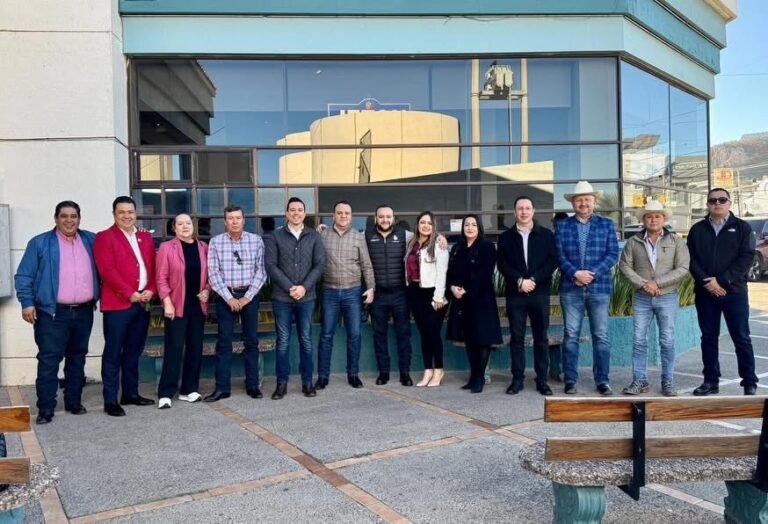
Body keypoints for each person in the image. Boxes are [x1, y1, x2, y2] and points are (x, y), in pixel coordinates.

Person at [15, 201, 99, 424]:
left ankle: (73, 401)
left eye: (73, 216)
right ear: (56, 218)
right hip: (51, 313)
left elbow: (113, 248)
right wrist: (27, 303)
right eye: (64, 216)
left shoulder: (91, 240)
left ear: (79, 219)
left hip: (83, 311)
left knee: (77, 358)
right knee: (49, 360)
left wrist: (137, 233)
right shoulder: (40, 243)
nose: (69, 220)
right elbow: (24, 276)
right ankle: (46, 408)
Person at [687, 188, 758, 396]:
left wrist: (721, 280)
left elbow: (746, 258)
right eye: (713, 200)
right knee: (709, 338)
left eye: (722, 199)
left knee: (741, 337)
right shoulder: (697, 229)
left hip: (734, 292)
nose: (717, 203)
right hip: (706, 292)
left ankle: (749, 382)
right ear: (707, 204)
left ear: (729, 203)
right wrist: (707, 282)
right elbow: (691, 259)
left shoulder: (742, 228)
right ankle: (711, 381)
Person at [94, 196, 157, 416]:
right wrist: (129, 293)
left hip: (142, 303)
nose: (127, 216)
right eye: (122, 212)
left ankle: (130, 393)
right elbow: (107, 270)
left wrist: (151, 289)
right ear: (114, 214)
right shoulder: (104, 237)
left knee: (133, 351)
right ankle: (110, 399)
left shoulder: (145, 237)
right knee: (113, 352)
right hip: (118, 305)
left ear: (135, 213)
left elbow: (153, 266)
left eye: (130, 212)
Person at [618, 200, 689, 397]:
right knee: (639, 340)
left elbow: (683, 268)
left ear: (664, 219)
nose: (653, 220)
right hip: (642, 297)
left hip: (667, 297)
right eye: (649, 217)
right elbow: (624, 266)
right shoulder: (633, 242)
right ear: (643, 220)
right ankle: (640, 381)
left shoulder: (676, 241)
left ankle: (668, 382)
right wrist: (644, 284)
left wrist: (657, 283)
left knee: (667, 340)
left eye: (657, 216)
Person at [555, 181, 619, 395]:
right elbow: (559, 255)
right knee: (570, 335)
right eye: (579, 200)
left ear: (594, 201)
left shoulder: (607, 224)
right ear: (573, 203)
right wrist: (575, 273)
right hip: (570, 288)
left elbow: (612, 254)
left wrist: (590, 274)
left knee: (601, 336)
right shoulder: (562, 226)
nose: (583, 203)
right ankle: (570, 380)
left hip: (599, 288)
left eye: (587, 199)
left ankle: (602, 380)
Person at [265, 197, 326, 399]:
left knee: (306, 340)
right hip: (282, 298)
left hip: (306, 299)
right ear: (287, 213)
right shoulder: (276, 236)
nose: (296, 213)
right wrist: (290, 287)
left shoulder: (314, 236)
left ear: (304, 213)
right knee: (282, 341)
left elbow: (319, 265)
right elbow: (271, 265)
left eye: (300, 210)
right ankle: (281, 384)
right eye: (292, 210)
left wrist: (304, 287)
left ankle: (307, 383)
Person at [205, 205, 267, 402]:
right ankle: (222, 388)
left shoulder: (256, 241)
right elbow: (213, 273)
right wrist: (229, 298)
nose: (234, 221)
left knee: (251, 341)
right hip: (226, 297)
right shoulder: (216, 242)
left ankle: (253, 386)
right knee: (224, 343)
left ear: (243, 220)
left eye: (238, 218)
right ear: (225, 221)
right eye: (230, 218)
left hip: (250, 295)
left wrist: (247, 297)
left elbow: (261, 271)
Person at [497, 196, 558, 396]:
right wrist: (519, 281)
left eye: (527, 208)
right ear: (514, 212)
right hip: (516, 294)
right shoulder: (506, 238)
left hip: (539, 293)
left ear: (533, 211)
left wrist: (533, 280)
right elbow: (503, 264)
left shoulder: (546, 235)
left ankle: (542, 380)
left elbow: (552, 262)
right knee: (517, 337)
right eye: (520, 208)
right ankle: (517, 379)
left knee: (541, 337)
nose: (524, 212)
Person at [316, 201, 375, 390]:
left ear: (351, 216)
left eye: (346, 213)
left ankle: (353, 375)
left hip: (353, 292)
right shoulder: (322, 235)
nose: (343, 216)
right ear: (333, 216)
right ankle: (323, 377)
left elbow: (366, 265)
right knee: (326, 335)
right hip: (329, 292)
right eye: (339, 213)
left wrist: (371, 287)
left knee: (355, 334)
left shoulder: (358, 237)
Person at [155, 213, 210, 409]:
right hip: (176, 306)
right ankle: (166, 392)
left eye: (188, 223)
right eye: (180, 223)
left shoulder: (203, 247)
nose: (185, 226)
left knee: (195, 348)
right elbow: (161, 278)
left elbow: (211, 274)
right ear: (174, 228)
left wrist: (207, 290)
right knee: (174, 348)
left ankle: (189, 390)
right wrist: (167, 302)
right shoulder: (166, 248)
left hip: (197, 306)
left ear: (193, 226)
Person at [446, 214, 502, 393]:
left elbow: (485, 274)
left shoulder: (487, 247)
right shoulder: (458, 247)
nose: (470, 228)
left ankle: (480, 378)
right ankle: (473, 377)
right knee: (469, 340)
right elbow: (450, 272)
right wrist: (452, 287)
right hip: (462, 301)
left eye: (473, 225)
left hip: (481, 300)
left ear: (479, 228)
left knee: (482, 340)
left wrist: (467, 290)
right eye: (467, 225)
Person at [406, 211, 449, 387]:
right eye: (422, 222)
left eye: (429, 223)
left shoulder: (438, 244)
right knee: (424, 333)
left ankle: (438, 369)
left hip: (433, 293)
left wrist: (439, 296)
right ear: (417, 224)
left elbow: (442, 272)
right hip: (415, 292)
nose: (425, 226)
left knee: (433, 332)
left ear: (434, 226)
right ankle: (427, 370)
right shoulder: (410, 242)